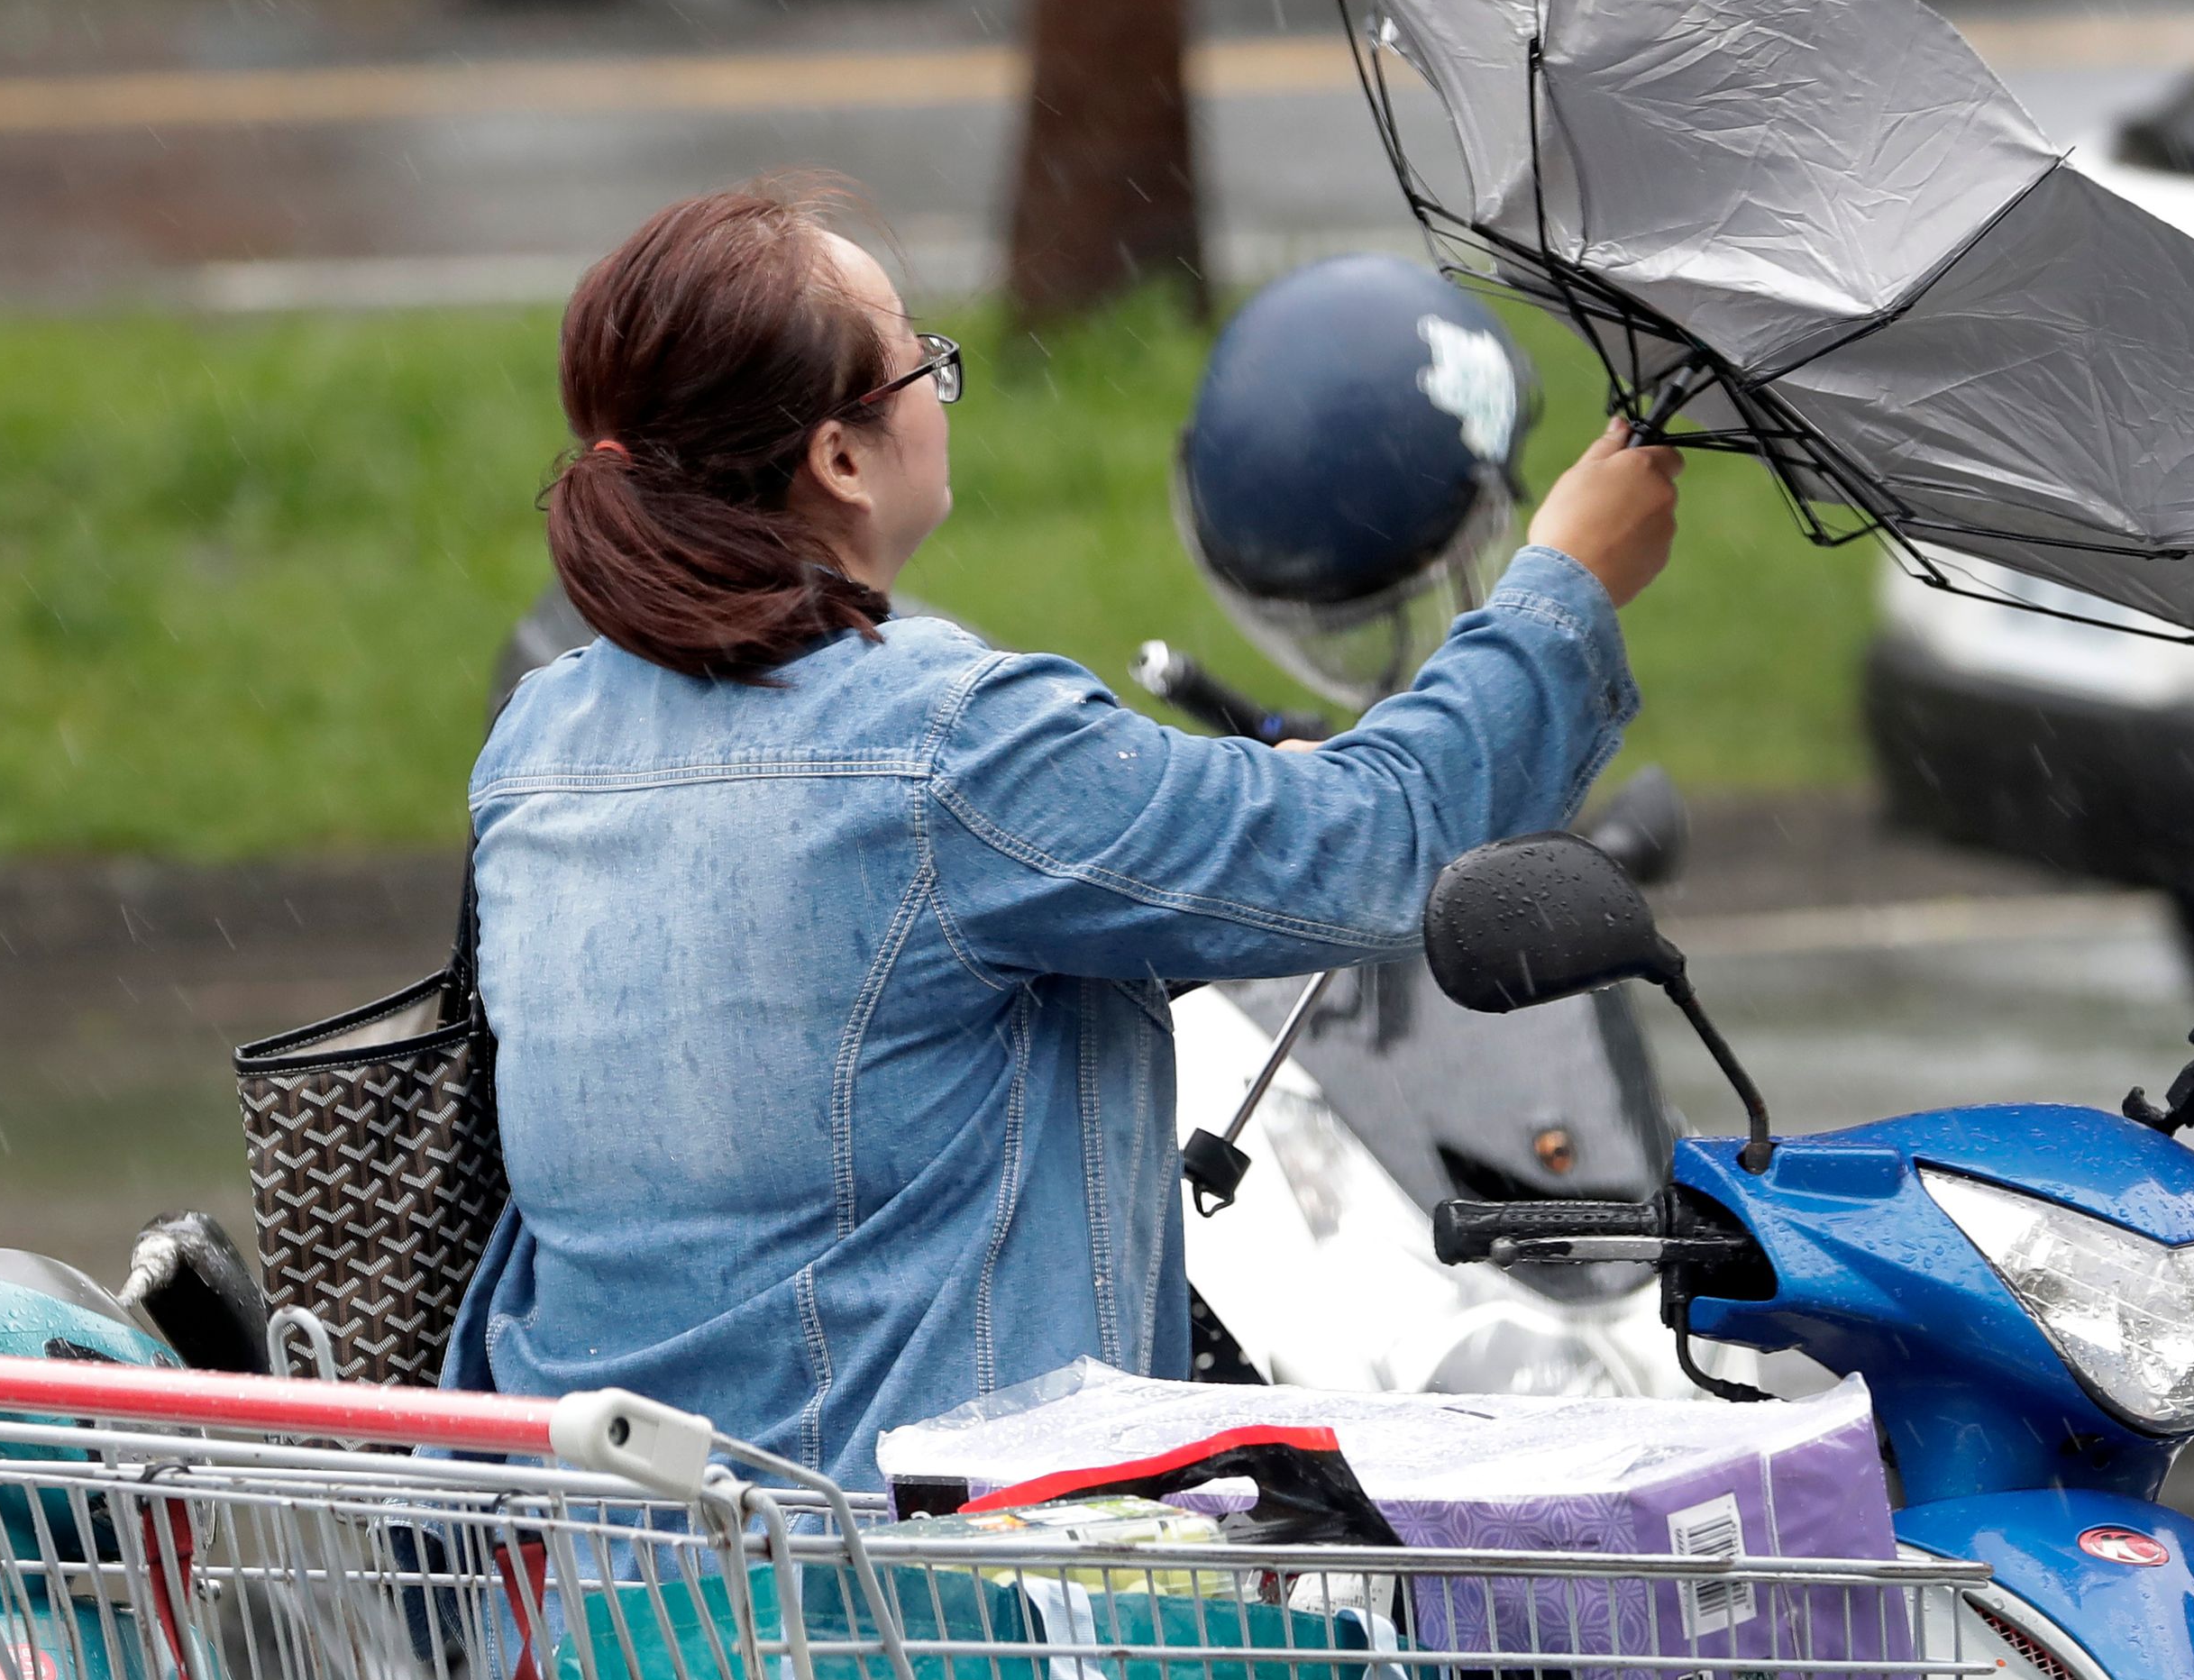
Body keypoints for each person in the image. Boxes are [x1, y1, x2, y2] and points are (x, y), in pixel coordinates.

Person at [447, 184, 1682, 1482]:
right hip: (942, 1638)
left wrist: (1205, 835)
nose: (940, 386)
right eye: (920, 360)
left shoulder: (536, 748)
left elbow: (837, 997)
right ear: (841, 458)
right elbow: (1382, 838)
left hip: (630, 1625)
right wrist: (1570, 589)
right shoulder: (947, 744)